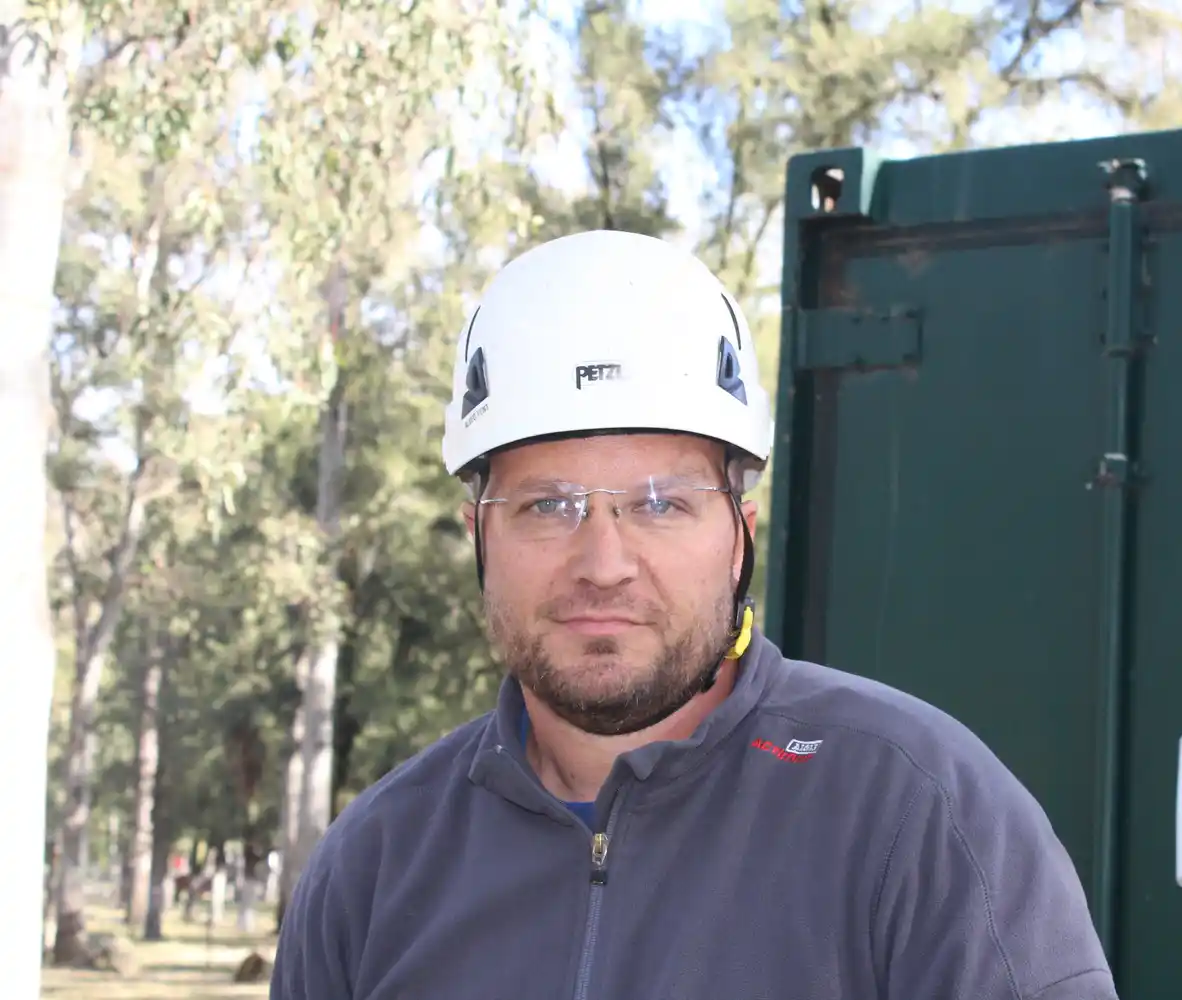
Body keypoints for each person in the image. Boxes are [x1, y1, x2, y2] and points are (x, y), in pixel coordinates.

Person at [269, 229, 1118, 1000]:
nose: (603, 565)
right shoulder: (374, 867)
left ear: (740, 535)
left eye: (660, 505)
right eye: (547, 507)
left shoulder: (923, 815)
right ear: (477, 533)